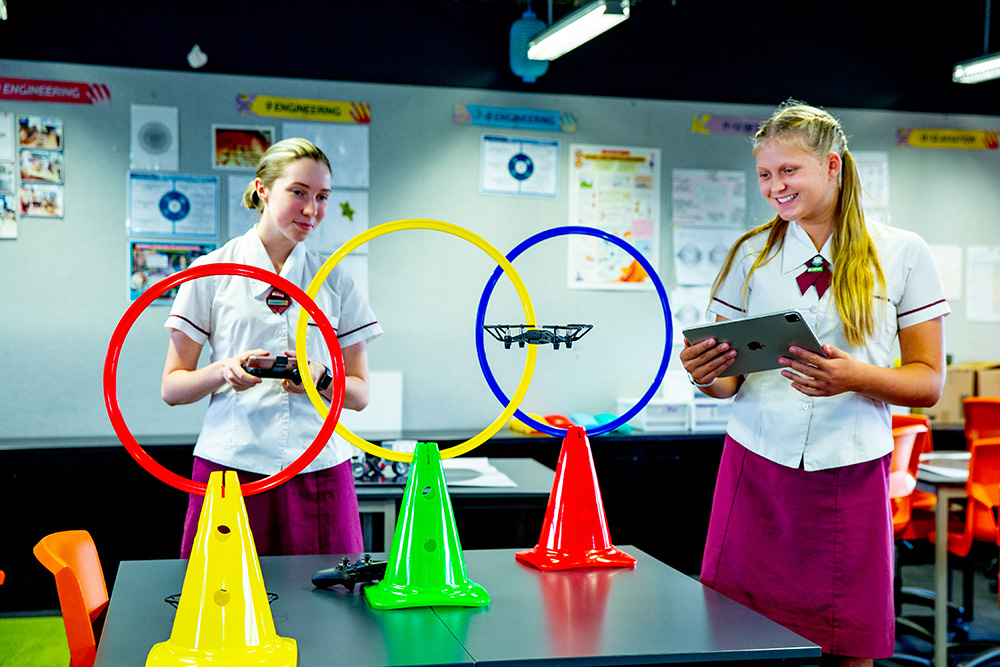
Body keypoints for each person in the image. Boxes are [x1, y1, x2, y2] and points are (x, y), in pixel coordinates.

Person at [680, 101, 949, 667]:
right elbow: (728, 385)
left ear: (832, 166)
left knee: (848, 646)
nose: (775, 186)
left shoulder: (902, 253)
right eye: (765, 174)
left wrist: (853, 376)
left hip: (849, 473)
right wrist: (707, 375)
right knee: (736, 638)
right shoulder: (750, 257)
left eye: (788, 171)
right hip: (755, 465)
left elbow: (927, 384)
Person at [162, 137, 382, 558]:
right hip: (231, 465)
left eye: (322, 197)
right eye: (297, 192)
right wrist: (224, 370)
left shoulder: (336, 279)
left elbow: (359, 395)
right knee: (223, 606)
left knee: (327, 605)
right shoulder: (210, 272)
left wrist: (322, 378)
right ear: (262, 188)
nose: (311, 210)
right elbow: (173, 387)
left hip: (319, 466)